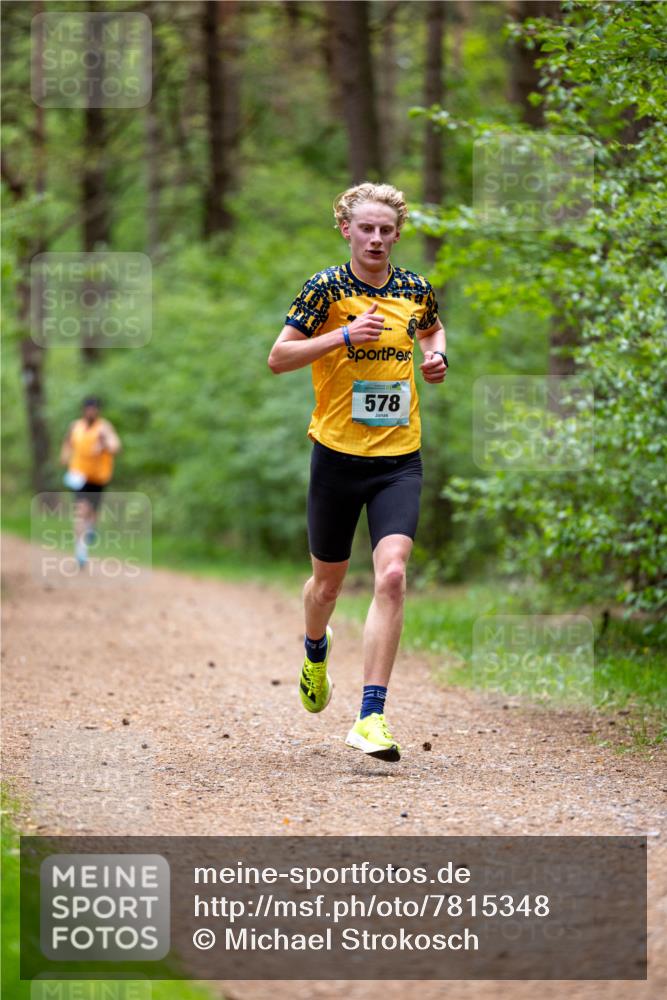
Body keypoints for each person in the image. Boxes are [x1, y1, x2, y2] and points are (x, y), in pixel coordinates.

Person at [268, 182, 447, 761]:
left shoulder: (415, 289)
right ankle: (315, 649)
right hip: (337, 457)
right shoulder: (326, 289)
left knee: (392, 575)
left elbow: (432, 328)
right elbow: (278, 358)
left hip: (399, 459)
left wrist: (436, 354)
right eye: (366, 228)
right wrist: (343, 335)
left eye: (386, 230)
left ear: (397, 234)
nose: (376, 238)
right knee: (328, 585)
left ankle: (371, 715)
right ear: (346, 229)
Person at [60, 396, 121, 567]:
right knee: (81, 510)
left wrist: (104, 446)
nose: (91, 412)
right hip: (79, 475)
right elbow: (67, 443)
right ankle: (81, 550)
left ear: (98, 411)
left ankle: (91, 529)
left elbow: (116, 445)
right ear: (83, 410)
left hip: (99, 477)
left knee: (93, 513)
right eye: (88, 409)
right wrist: (64, 456)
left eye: (94, 409)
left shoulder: (104, 427)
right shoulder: (75, 426)